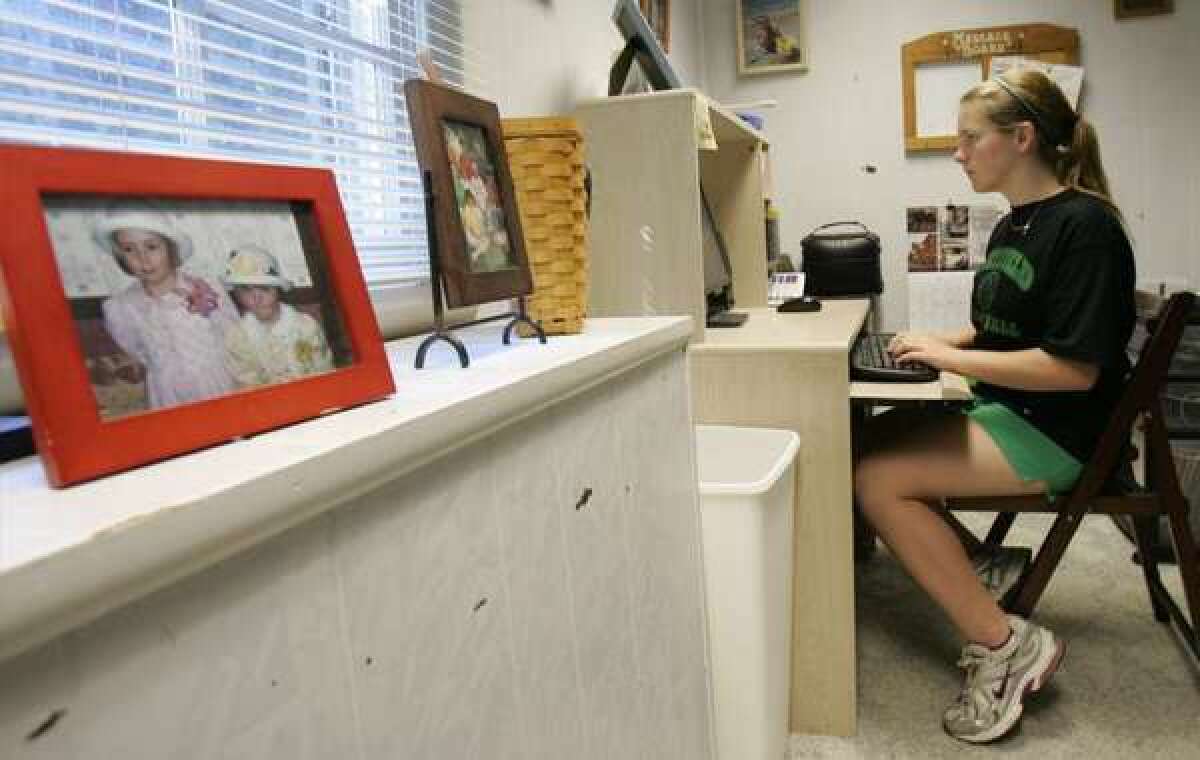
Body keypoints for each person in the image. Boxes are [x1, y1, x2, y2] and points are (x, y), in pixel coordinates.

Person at [854, 68, 1135, 743]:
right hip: (1009, 408)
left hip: (1061, 431)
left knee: (877, 481)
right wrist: (940, 341)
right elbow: (1007, 329)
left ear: (1022, 138)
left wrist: (952, 362)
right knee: (856, 445)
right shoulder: (1018, 224)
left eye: (968, 139)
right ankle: (980, 565)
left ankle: (1006, 646)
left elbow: (1070, 369)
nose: (958, 152)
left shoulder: (1087, 228)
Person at [95, 207, 239, 410]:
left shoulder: (206, 288)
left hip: (216, 385)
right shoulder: (120, 307)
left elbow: (232, 333)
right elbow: (136, 349)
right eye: (129, 249)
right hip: (167, 395)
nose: (142, 258)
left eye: (151, 247)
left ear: (170, 249)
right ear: (120, 255)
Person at [220, 244, 334, 387]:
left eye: (264, 288)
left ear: (277, 290)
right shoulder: (236, 337)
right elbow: (246, 383)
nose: (257, 298)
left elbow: (323, 369)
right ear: (237, 296)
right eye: (246, 291)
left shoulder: (306, 326)